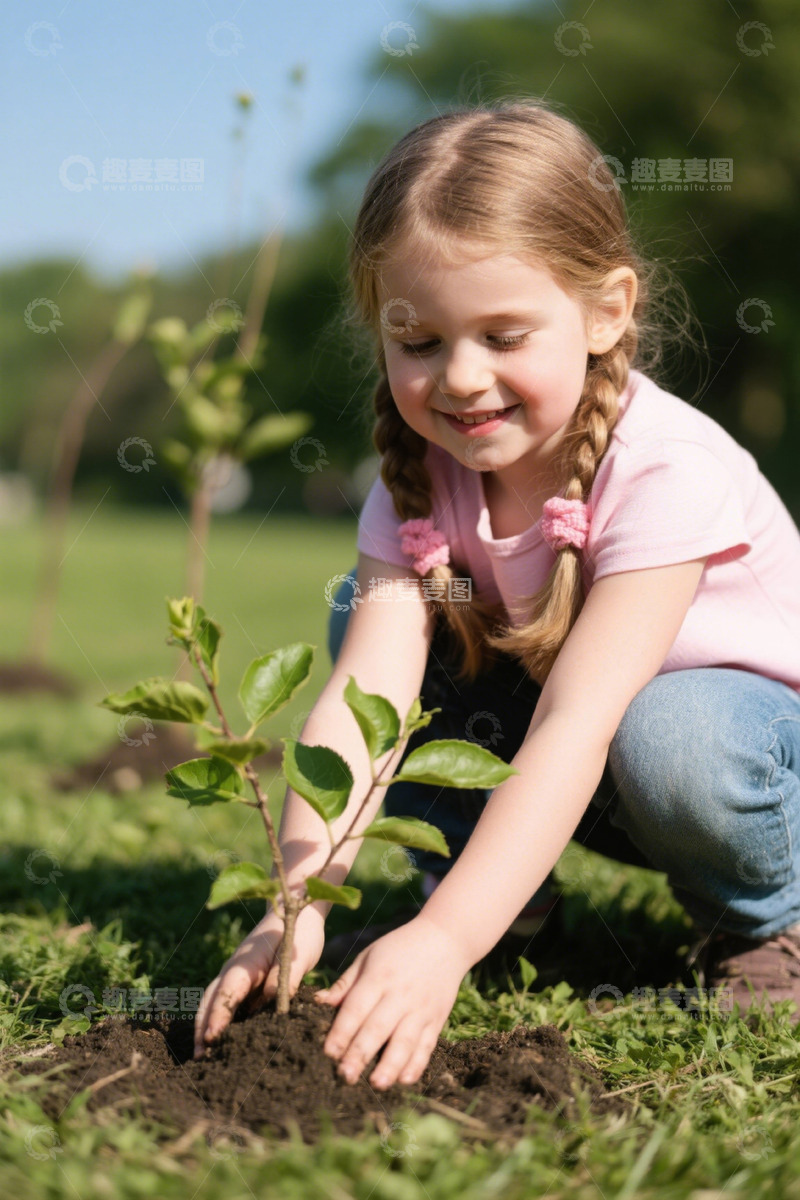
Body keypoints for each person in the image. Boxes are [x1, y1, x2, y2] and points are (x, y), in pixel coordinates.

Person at [194, 97, 800, 1088]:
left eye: (502, 334)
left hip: (730, 767)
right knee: (373, 616)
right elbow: (365, 711)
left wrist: (442, 942)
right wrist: (295, 906)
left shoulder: (665, 466)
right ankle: (501, 906)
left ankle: (763, 927)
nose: (460, 379)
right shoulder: (419, 477)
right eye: (419, 342)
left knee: (672, 729)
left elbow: (576, 722)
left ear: (606, 311)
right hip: (598, 775)